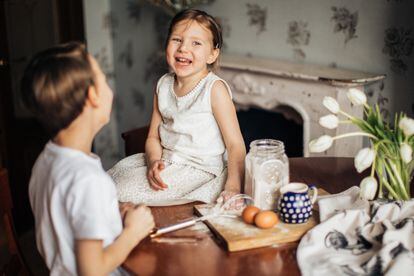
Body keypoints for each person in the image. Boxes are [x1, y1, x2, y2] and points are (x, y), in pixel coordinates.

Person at [22, 42, 155, 276]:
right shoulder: (88, 180)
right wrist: (133, 232)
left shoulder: (45, 159)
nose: (108, 86)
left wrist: (112, 211)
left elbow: (69, 215)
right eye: (103, 79)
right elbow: (91, 272)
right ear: (93, 96)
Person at [108, 9, 246, 206]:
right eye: (177, 40)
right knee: (108, 181)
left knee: (121, 193)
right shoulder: (163, 84)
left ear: (212, 54)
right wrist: (154, 161)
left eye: (196, 43)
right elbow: (153, 137)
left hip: (199, 169)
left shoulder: (214, 90)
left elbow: (235, 145)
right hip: (166, 160)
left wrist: (233, 186)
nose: (183, 49)